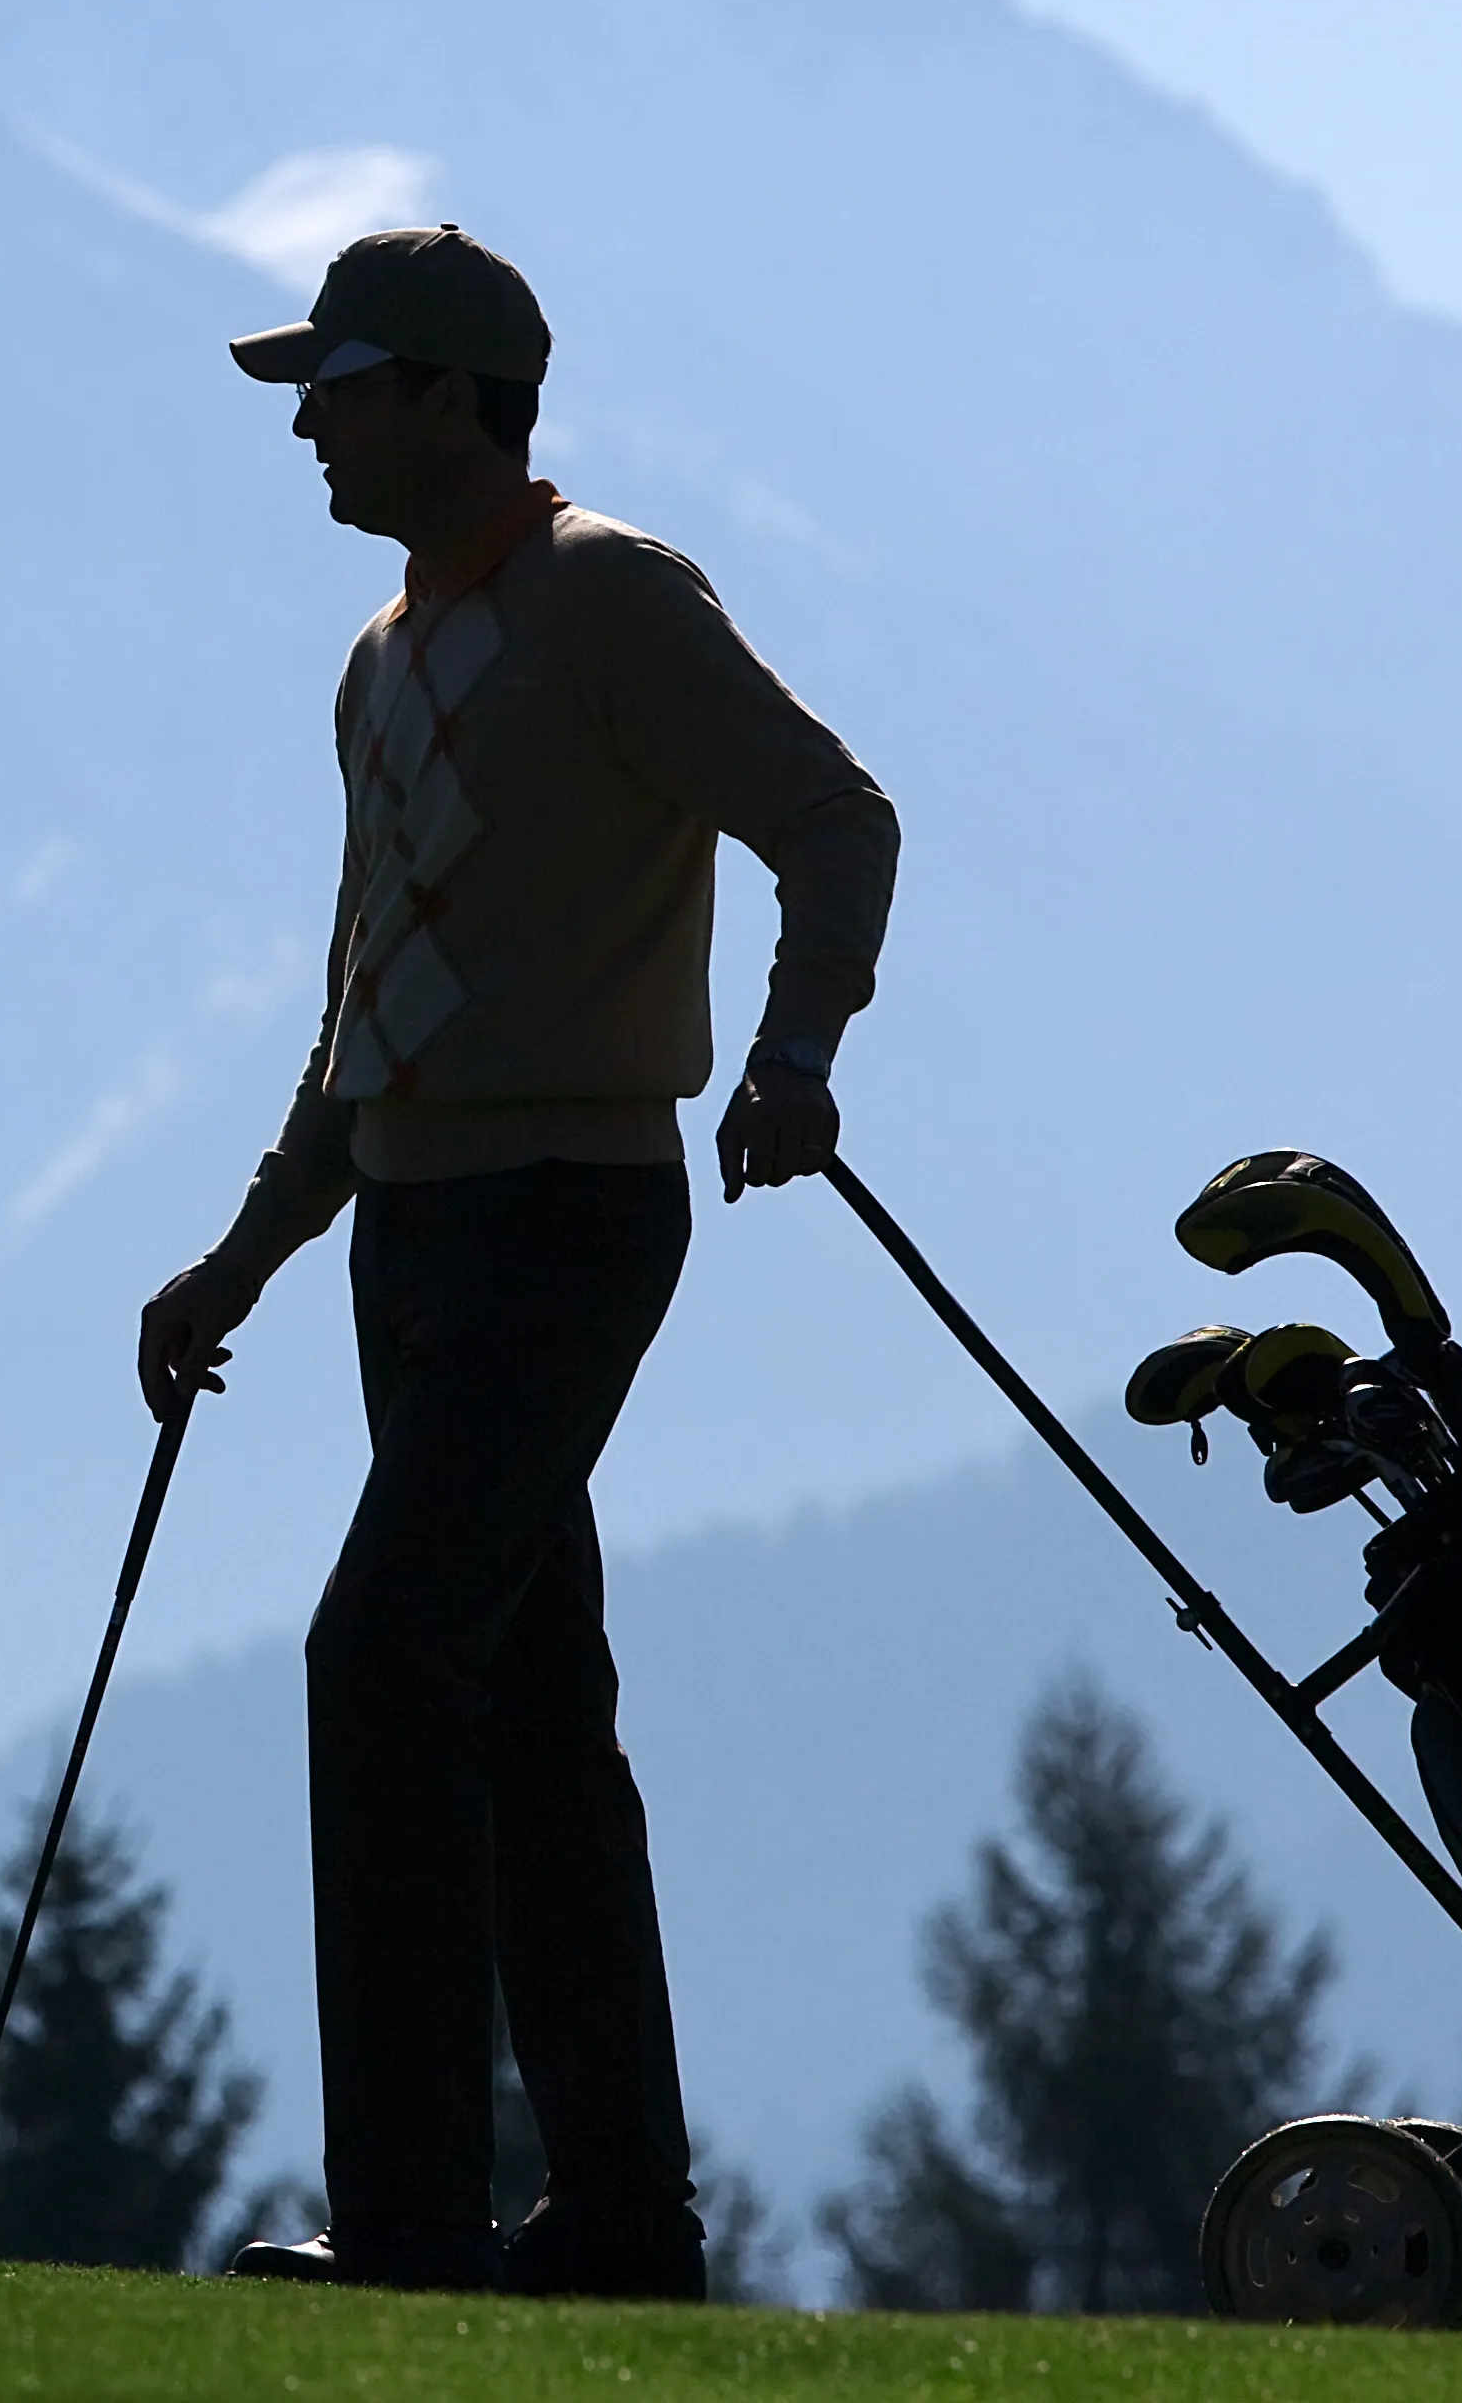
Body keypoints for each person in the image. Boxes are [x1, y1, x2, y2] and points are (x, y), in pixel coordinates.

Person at [143, 224, 896, 2297]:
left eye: (346, 378)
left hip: (572, 1212)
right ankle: (624, 2222)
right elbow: (364, 1000)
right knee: (528, 1710)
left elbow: (835, 817)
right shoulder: (382, 658)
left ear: (459, 397)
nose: (308, 418)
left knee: (383, 1658)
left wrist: (797, 1050)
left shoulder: (613, 602)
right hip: (411, 1222)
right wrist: (245, 1255)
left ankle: (402, 2219)